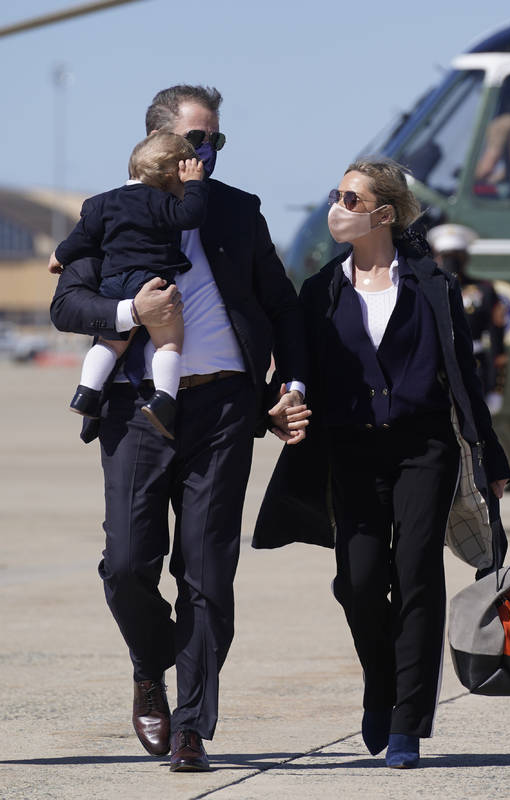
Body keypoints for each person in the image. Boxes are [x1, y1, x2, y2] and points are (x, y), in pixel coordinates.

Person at [48, 84, 310, 772]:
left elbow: (281, 307)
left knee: (208, 574)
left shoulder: (236, 211)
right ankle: (150, 662)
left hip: (223, 407)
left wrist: (289, 388)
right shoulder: (108, 211)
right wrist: (131, 310)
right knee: (130, 564)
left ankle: (191, 723)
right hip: (136, 408)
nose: (208, 153)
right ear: (160, 142)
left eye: (216, 141)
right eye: (198, 141)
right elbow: (68, 304)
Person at [253, 158, 510, 769]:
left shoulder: (433, 283)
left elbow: (464, 377)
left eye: (351, 198)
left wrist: (490, 455)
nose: (338, 207)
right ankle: (379, 684)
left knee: (418, 571)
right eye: (337, 196)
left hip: (426, 448)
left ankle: (407, 721)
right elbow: (296, 374)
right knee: (361, 580)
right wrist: (276, 406)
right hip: (351, 450)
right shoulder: (321, 290)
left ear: (384, 214)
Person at [51, 132, 208, 438]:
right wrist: (194, 185)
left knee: (110, 343)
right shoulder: (161, 201)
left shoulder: (100, 203)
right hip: (151, 281)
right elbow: (191, 215)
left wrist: (58, 255)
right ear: (169, 175)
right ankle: (163, 399)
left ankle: (87, 391)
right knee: (169, 342)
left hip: (112, 282)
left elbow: (80, 238)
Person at [427, 223, 508, 414]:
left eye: (456, 256)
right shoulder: (427, 290)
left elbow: (498, 345)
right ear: (437, 257)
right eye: (446, 256)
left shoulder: (484, 291)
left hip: (474, 371)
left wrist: (497, 389)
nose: (450, 262)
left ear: (465, 258)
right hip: (434, 372)